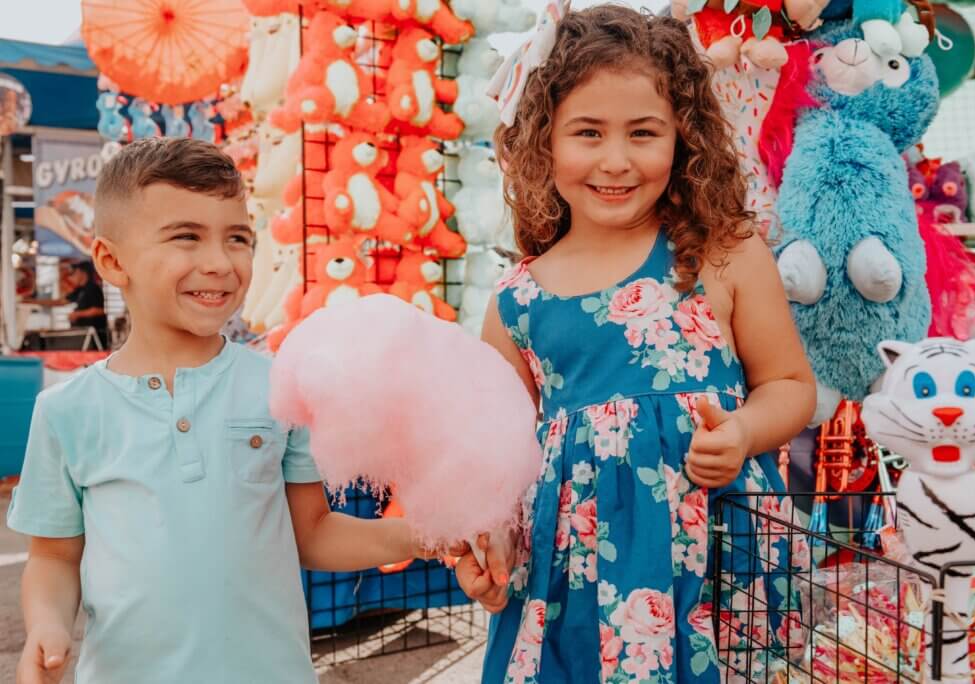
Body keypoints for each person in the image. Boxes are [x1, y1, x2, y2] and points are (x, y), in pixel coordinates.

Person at [453, 6, 816, 682]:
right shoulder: (516, 304)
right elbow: (499, 467)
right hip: (573, 589)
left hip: (717, 560)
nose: (616, 161)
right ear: (543, 140)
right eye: (587, 133)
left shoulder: (723, 256)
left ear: (683, 138)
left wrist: (741, 432)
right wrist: (494, 542)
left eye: (643, 133)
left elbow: (792, 386)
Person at [9, 138, 433, 684]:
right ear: (112, 260)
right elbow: (54, 558)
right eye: (186, 237)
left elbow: (314, 533)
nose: (219, 263)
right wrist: (47, 627)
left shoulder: (283, 386)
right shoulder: (65, 410)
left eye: (238, 239)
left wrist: (424, 536)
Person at [22, 260, 109, 350]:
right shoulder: (79, 290)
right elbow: (60, 302)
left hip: (94, 337)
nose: (71, 277)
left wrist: (78, 314)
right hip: (82, 334)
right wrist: (31, 301)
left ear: (81, 272)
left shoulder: (93, 288)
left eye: (73, 274)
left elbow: (99, 310)